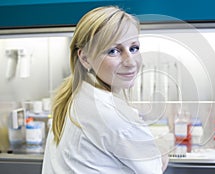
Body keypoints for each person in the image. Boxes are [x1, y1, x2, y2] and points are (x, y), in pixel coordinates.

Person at [42, 6, 168, 174]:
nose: (130, 62)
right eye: (113, 51)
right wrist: (161, 150)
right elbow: (154, 169)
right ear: (85, 58)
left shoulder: (73, 95)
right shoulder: (114, 115)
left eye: (134, 48)